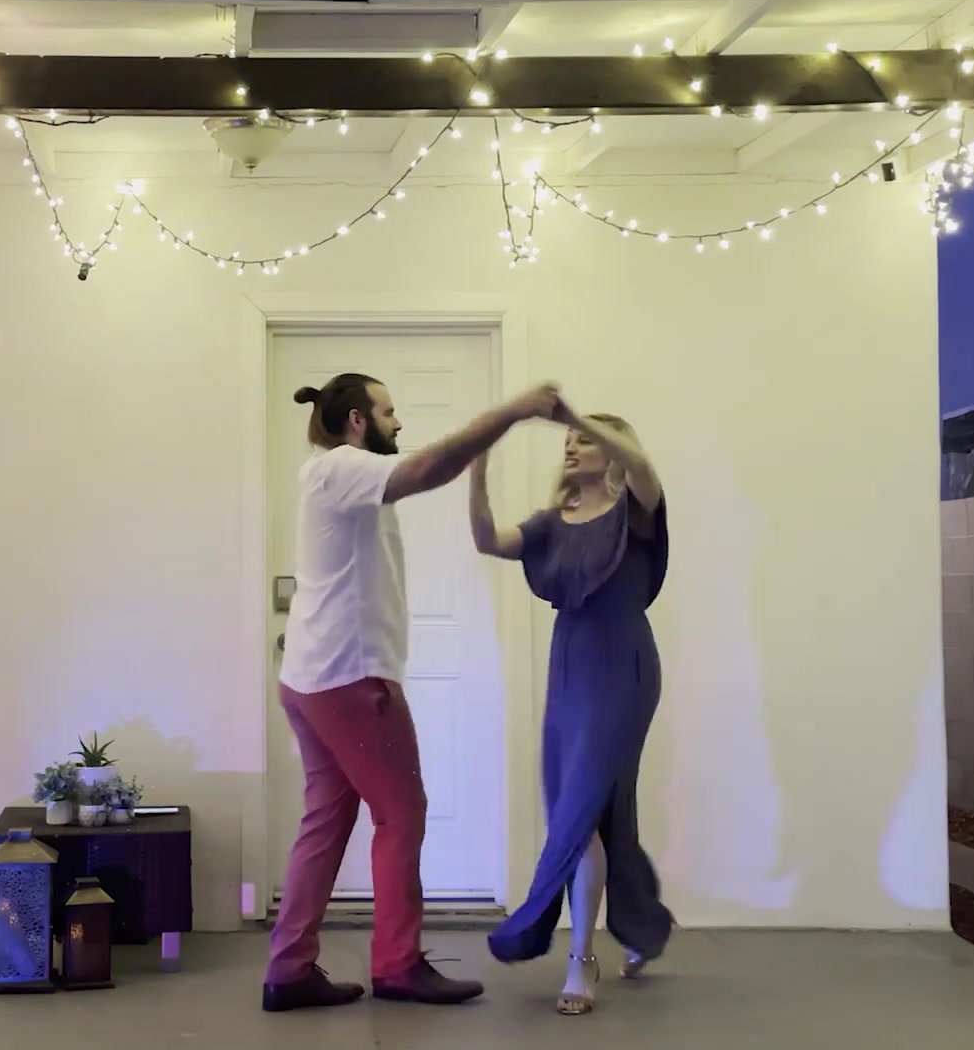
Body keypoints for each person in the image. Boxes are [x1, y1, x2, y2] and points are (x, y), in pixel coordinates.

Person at [263, 373, 564, 1013]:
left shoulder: (329, 474)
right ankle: (397, 965)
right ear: (357, 421)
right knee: (402, 814)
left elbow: (427, 466)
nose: (398, 423)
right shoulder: (343, 467)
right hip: (350, 680)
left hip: (314, 680)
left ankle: (288, 969)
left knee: (326, 821)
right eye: (389, 411)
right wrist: (512, 411)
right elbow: (428, 469)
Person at [469, 406, 675, 1016]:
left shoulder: (636, 508)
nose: (571, 445)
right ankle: (639, 927)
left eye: (585, 440)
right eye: (568, 438)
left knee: (580, 813)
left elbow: (642, 466)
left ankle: (581, 959)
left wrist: (575, 412)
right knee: (594, 813)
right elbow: (488, 540)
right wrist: (477, 468)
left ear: (612, 450)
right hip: (570, 667)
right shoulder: (551, 524)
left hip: (624, 668)